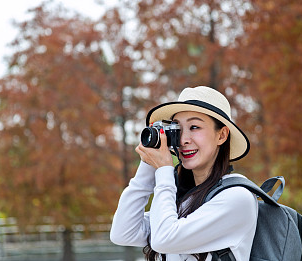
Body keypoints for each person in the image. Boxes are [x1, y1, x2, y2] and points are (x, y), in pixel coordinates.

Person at [110, 86, 258, 261]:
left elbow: (163, 239)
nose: (183, 140)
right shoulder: (185, 202)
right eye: (178, 129)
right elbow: (123, 232)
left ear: (222, 135)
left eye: (194, 127)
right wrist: (148, 164)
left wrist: (163, 170)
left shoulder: (238, 198)